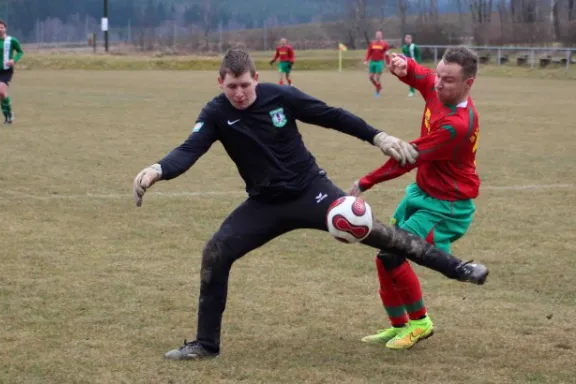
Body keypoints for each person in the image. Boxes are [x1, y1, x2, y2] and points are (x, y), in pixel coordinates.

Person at [132, 49, 489, 360]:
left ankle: (459, 269)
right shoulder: (215, 113)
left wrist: (377, 136)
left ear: (256, 78)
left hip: (311, 192)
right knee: (215, 252)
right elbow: (188, 150)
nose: (239, 93)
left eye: (245, 85)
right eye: (231, 87)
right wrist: (158, 169)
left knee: (381, 236)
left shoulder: (280, 96)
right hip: (264, 204)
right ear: (220, 82)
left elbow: (330, 114)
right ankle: (205, 345)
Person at [348, 47, 481, 350]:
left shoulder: (456, 125)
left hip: (446, 206)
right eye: (440, 75)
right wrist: (401, 64)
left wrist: (364, 182)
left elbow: (407, 158)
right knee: (385, 257)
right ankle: (399, 326)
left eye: (448, 80)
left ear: (467, 84)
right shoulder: (438, 86)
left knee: (393, 256)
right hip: (421, 194)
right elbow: (420, 75)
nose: (439, 83)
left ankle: (420, 323)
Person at [363, 30, 390, 97]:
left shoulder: (385, 44)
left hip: (380, 62)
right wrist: (366, 60)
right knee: (371, 77)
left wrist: (388, 63)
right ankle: (379, 86)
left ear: (381, 36)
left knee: (377, 77)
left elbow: (387, 54)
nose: (378, 36)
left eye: (379, 34)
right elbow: (369, 52)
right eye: (377, 34)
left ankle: (377, 92)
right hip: (372, 62)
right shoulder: (372, 43)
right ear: (376, 35)